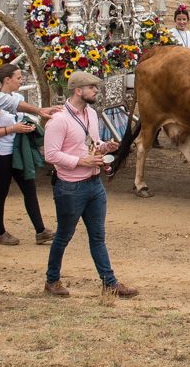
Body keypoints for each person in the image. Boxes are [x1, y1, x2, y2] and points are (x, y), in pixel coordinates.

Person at [43, 71, 137, 298]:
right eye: (92, 88)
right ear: (78, 90)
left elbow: (91, 143)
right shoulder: (59, 120)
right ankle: (52, 280)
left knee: (97, 236)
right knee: (64, 235)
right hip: (70, 187)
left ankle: (109, 282)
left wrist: (104, 147)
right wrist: (81, 161)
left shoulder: (92, 115)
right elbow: (50, 154)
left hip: (94, 183)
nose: (96, 91)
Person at [0, 60, 49, 247]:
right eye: (18, 78)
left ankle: (40, 230)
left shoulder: (15, 98)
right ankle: (0, 232)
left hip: (17, 151)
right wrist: (13, 129)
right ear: (7, 79)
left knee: (30, 190)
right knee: (1, 192)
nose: (21, 80)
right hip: (1, 154)